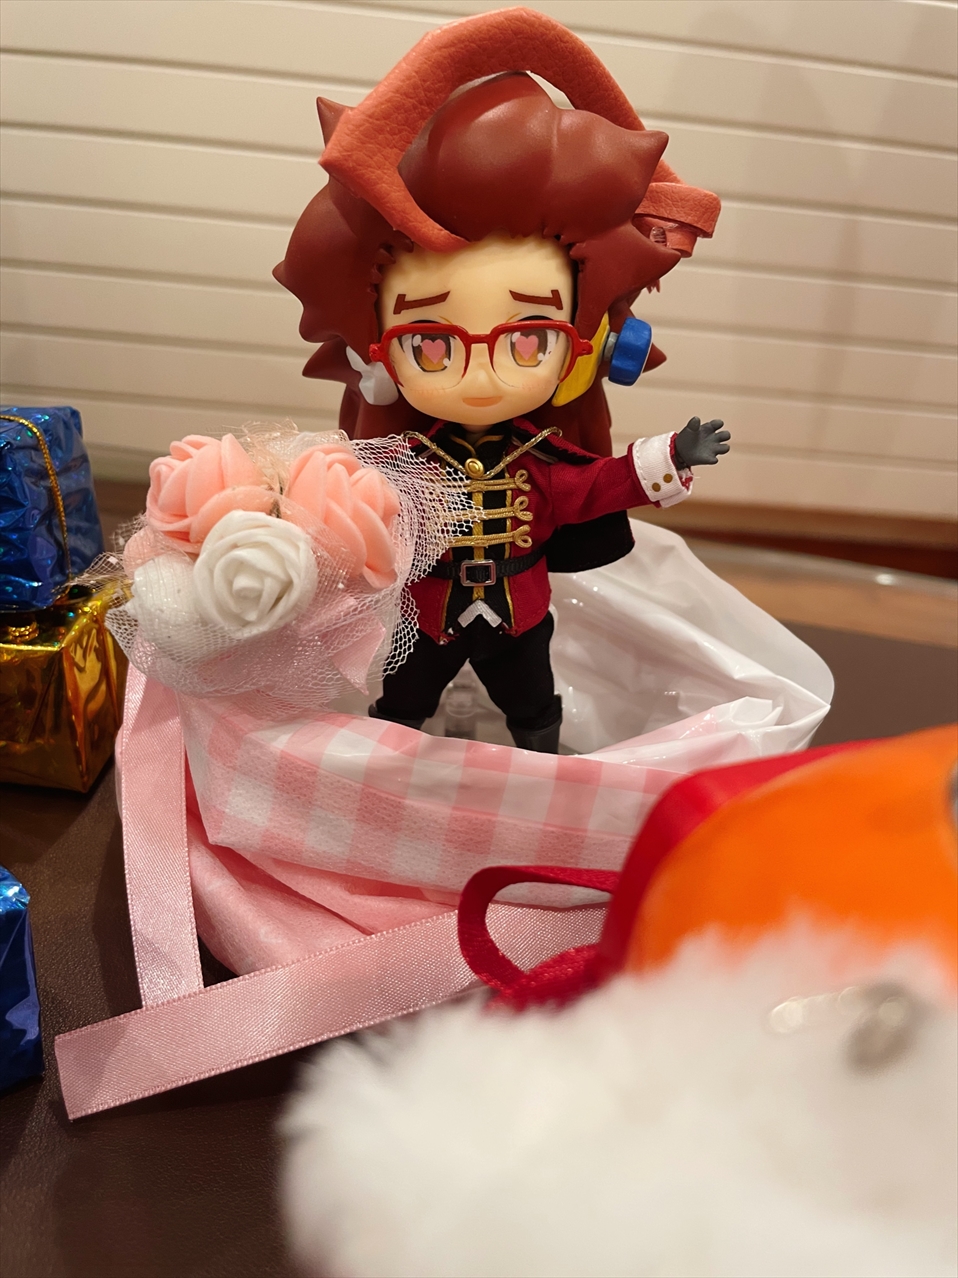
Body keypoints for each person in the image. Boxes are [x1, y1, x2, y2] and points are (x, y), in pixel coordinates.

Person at [275, 8, 730, 751]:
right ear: (376, 356)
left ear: (581, 344)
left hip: (520, 617)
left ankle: (539, 773)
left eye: (525, 339)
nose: (481, 373)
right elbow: (348, 515)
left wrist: (670, 456)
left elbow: (597, 485)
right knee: (401, 707)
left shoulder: (538, 462)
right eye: (431, 342)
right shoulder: (398, 464)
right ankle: (386, 778)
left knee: (534, 709)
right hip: (425, 619)